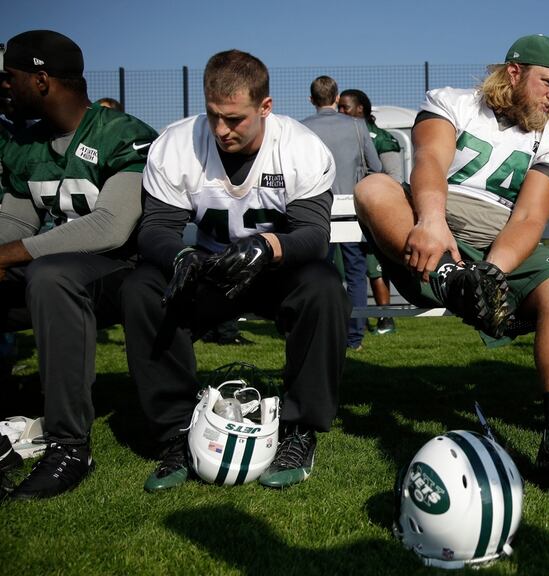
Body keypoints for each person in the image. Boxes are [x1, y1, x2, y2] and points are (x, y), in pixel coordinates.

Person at [354, 34, 549, 507]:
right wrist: (432, 220)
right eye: (547, 82)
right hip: (430, 227)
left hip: (500, 239)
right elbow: (430, 160)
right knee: (374, 187)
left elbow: (529, 219)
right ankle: (449, 281)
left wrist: (492, 273)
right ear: (514, 73)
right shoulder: (452, 102)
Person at [123, 49, 348, 492]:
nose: (221, 130)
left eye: (235, 119)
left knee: (323, 287)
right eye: (213, 116)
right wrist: (181, 257)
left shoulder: (300, 147)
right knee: (141, 288)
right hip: (206, 270)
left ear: (266, 107)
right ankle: (175, 433)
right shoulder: (176, 142)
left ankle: (301, 429)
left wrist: (267, 247)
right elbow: (155, 229)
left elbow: (314, 235)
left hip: (275, 272)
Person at [0, 30, 157, 499]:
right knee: (48, 273)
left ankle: (69, 446)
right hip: (55, 272)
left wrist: (10, 255)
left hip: (120, 274)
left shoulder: (122, 133)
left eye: (12, 78)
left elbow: (111, 226)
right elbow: (15, 218)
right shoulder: (28, 144)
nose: (5, 87)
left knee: (51, 275)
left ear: (41, 79)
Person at [302, 76, 381, 351]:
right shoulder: (358, 127)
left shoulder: (301, 130)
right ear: (336, 98)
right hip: (351, 211)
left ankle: (319, 331)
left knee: (317, 274)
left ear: (312, 100)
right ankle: (354, 336)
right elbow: (376, 166)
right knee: (356, 274)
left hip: (316, 212)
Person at [338, 88, 401, 335]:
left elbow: (394, 176)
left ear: (360, 109)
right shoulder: (343, 134)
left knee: (375, 266)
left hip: (374, 209)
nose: (341, 112)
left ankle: (385, 318)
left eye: (346, 107)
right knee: (351, 267)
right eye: (339, 107)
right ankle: (358, 320)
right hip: (345, 209)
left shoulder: (381, 137)